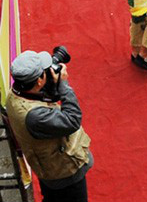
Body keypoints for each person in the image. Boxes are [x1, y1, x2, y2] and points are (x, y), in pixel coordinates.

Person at [6, 51, 93, 202]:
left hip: (47, 168)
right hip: (63, 173)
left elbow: (41, 98)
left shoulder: (15, 95)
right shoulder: (35, 117)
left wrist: (53, 86)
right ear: (39, 81)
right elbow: (72, 120)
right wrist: (63, 85)